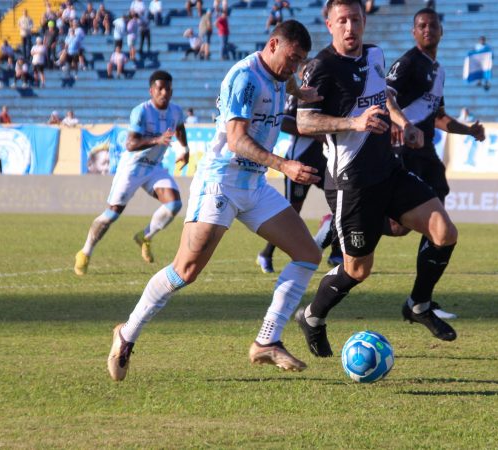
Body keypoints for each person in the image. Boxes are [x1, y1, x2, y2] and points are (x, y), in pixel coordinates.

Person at [106, 21, 321, 381]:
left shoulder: (280, 73)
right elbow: (236, 140)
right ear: (273, 44)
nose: (293, 67)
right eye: (292, 58)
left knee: (308, 254)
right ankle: (126, 334)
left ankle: (267, 340)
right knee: (185, 271)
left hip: (254, 184)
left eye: (300, 61)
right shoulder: (245, 78)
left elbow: (286, 82)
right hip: (221, 181)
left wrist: (301, 93)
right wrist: (284, 164)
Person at [292, 0, 459, 358]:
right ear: (329, 25)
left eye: (355, 19)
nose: (349, 27)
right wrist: (353, 122)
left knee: (444, 232)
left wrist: (404, 124)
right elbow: (305, 122)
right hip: (352, 184)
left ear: (364, 21)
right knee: (357, 269)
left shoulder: (375, 54)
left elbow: (384, 96)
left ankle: (418, 304)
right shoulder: (321, 67)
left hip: (389, 171)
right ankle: (312, 316)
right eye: (342, 21)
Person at [386, 8, 486, 325]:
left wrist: (468, 130)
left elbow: (438, 116)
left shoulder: (438, 70)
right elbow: (384, 98)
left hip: (427, 153)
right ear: (413, 32)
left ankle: (421, 299)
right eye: (421, 26)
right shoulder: (408, 63)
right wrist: (403, 125)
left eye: (433, 25)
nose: (427, 30)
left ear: (441, 31)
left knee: (428, 223)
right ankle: (340, 222)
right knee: (407, 225)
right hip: (404, 149)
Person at [74, 70, 188, 278]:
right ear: (151, 91)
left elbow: (180, 128)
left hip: (154, 167)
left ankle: (145, 236)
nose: (164, 93)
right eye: (160, 89)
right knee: (112, 214)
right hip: (133, 168)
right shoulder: (141, 112)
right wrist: (156, 140)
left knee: (174, 204)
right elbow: (131, 143)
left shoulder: (176, 111)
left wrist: (184, 150)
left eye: (168, 89)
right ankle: (85, 252)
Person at [255, 60, 343, 273]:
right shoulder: (298, 94)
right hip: (300, 160)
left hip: (323, 159)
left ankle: (336, 252)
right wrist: (314, 131)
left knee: (342, 200)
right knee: (292, 211)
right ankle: (266, 253)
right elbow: (284, 120)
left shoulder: (326, 93)